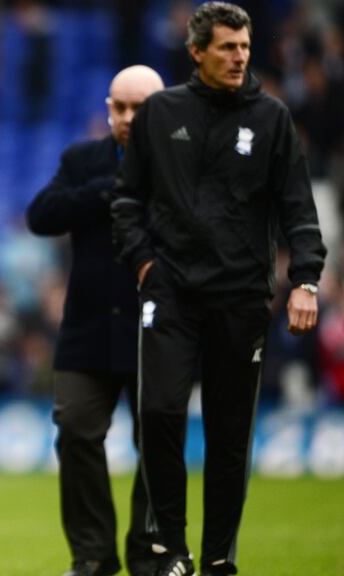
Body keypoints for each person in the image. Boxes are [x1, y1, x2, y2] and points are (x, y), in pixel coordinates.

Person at [110, 4, 326, 575]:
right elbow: (128, 199)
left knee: (230, 435)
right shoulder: (161, 113)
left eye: (245, 47)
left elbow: (298, 209)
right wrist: (144, 265)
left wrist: (305, 278)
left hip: (240, 297)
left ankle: (218, 558)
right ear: (197, 52)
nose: (240, 57)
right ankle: (173, 548)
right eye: (228, 47)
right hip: (171, 292)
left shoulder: (272, 119)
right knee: (157, 413)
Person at [27, 65, 164, 576]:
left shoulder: (185, 164)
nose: (127, 118)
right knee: (77, 432)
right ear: (108, 108)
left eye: (139, 108)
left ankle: (150, 552)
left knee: (157, 444)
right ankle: (92, 556)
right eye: (119, 107)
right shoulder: (83, 160)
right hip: (85, 328)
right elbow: (40, 214)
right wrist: (110, 189)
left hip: (158, 328)